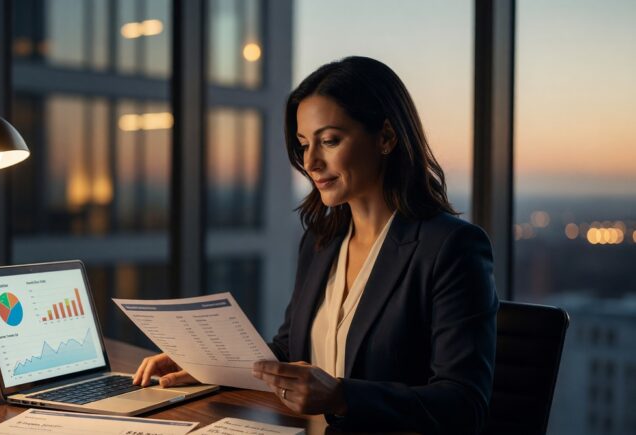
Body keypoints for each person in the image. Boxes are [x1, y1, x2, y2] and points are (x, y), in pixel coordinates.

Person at [132, 56, 498, 435]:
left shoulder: (452, 247)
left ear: (386, 137)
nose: (311, 162)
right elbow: (291, 350)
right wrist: (207, 365)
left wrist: (341, 396)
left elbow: (464, 406)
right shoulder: (322, 241)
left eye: (329, 141)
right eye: (304, 144)